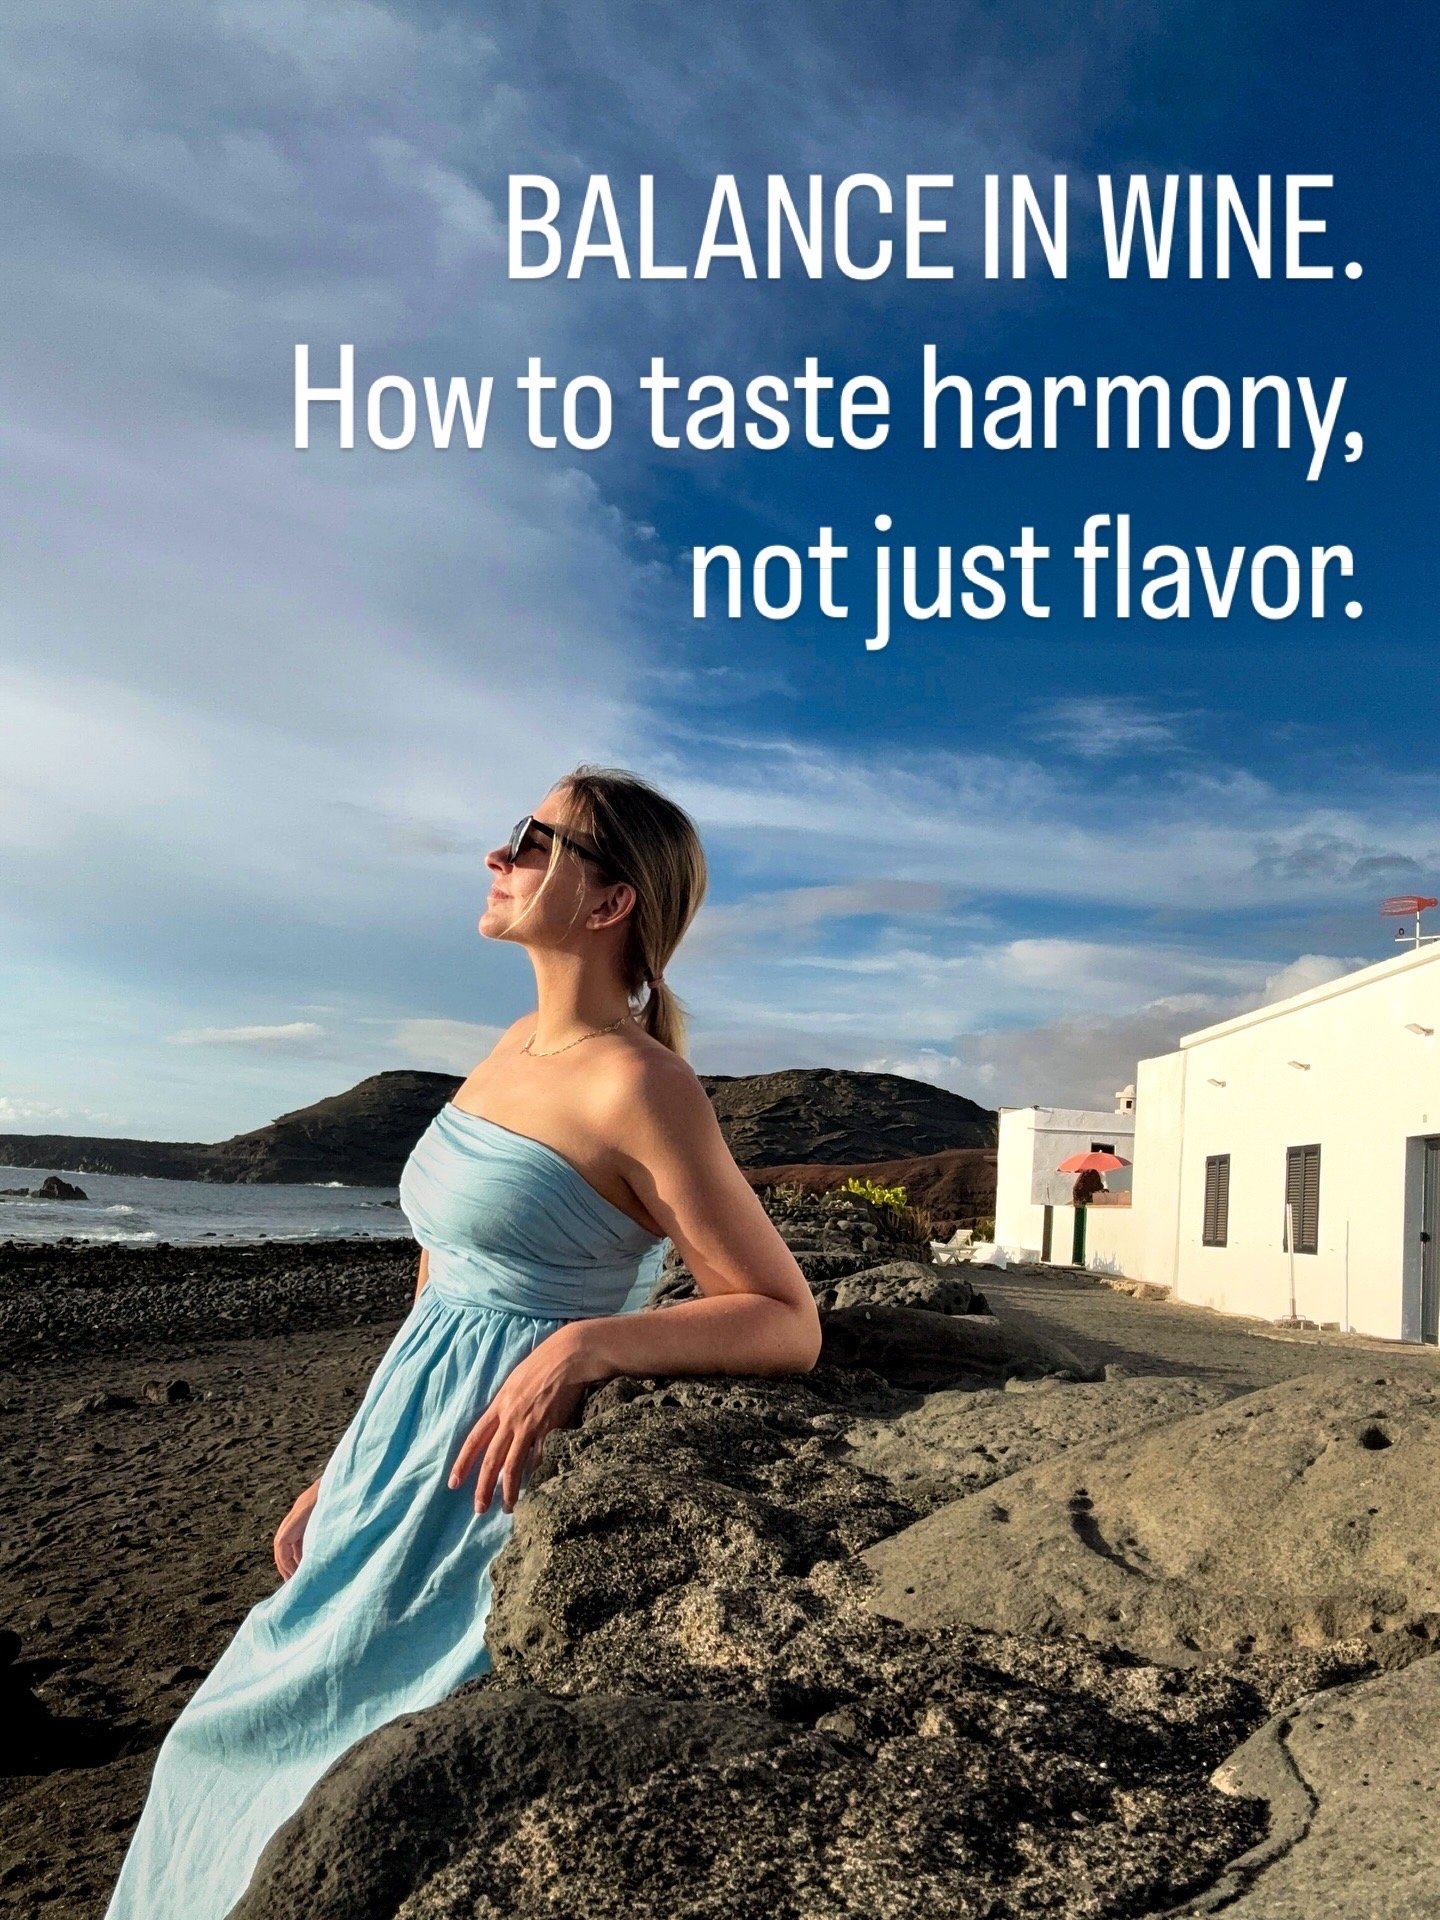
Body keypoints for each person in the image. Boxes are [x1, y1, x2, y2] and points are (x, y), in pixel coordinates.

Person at [104, 764, 821, 1919]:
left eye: (534, 841)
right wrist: (336, 1471)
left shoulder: (643, 1084)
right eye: (512, 834)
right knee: (217, 1737)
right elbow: (436, 1279)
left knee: (324, 1772)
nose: (500, 855)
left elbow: (786, 1318)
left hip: (490, 1459)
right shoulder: (511, 1044)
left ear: (608, 903)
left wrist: (593, 1344)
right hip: (402, 1442)